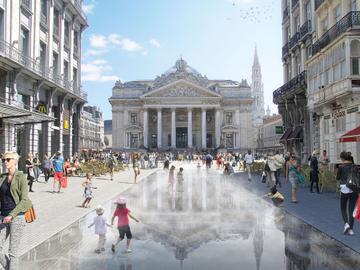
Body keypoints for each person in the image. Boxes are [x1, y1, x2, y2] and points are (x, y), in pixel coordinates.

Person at [0, 151, 32, 270]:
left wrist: (12, 215)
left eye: (8, 159)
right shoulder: (2, 177)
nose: (5, 162)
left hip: (17, 216)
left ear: (14, 161)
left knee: (12, 251)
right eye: (3, 160)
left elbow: (24, 200)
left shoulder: (21, 177)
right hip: (3, 216)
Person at [336, 151, 359, 235]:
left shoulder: (341, 167)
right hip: (354, 189)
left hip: (344, 188)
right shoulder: (355, 166)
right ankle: (351, 229)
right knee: (351, 209)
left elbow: (337, 178)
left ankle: (346, 224)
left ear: (342, 158)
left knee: (343, 208)